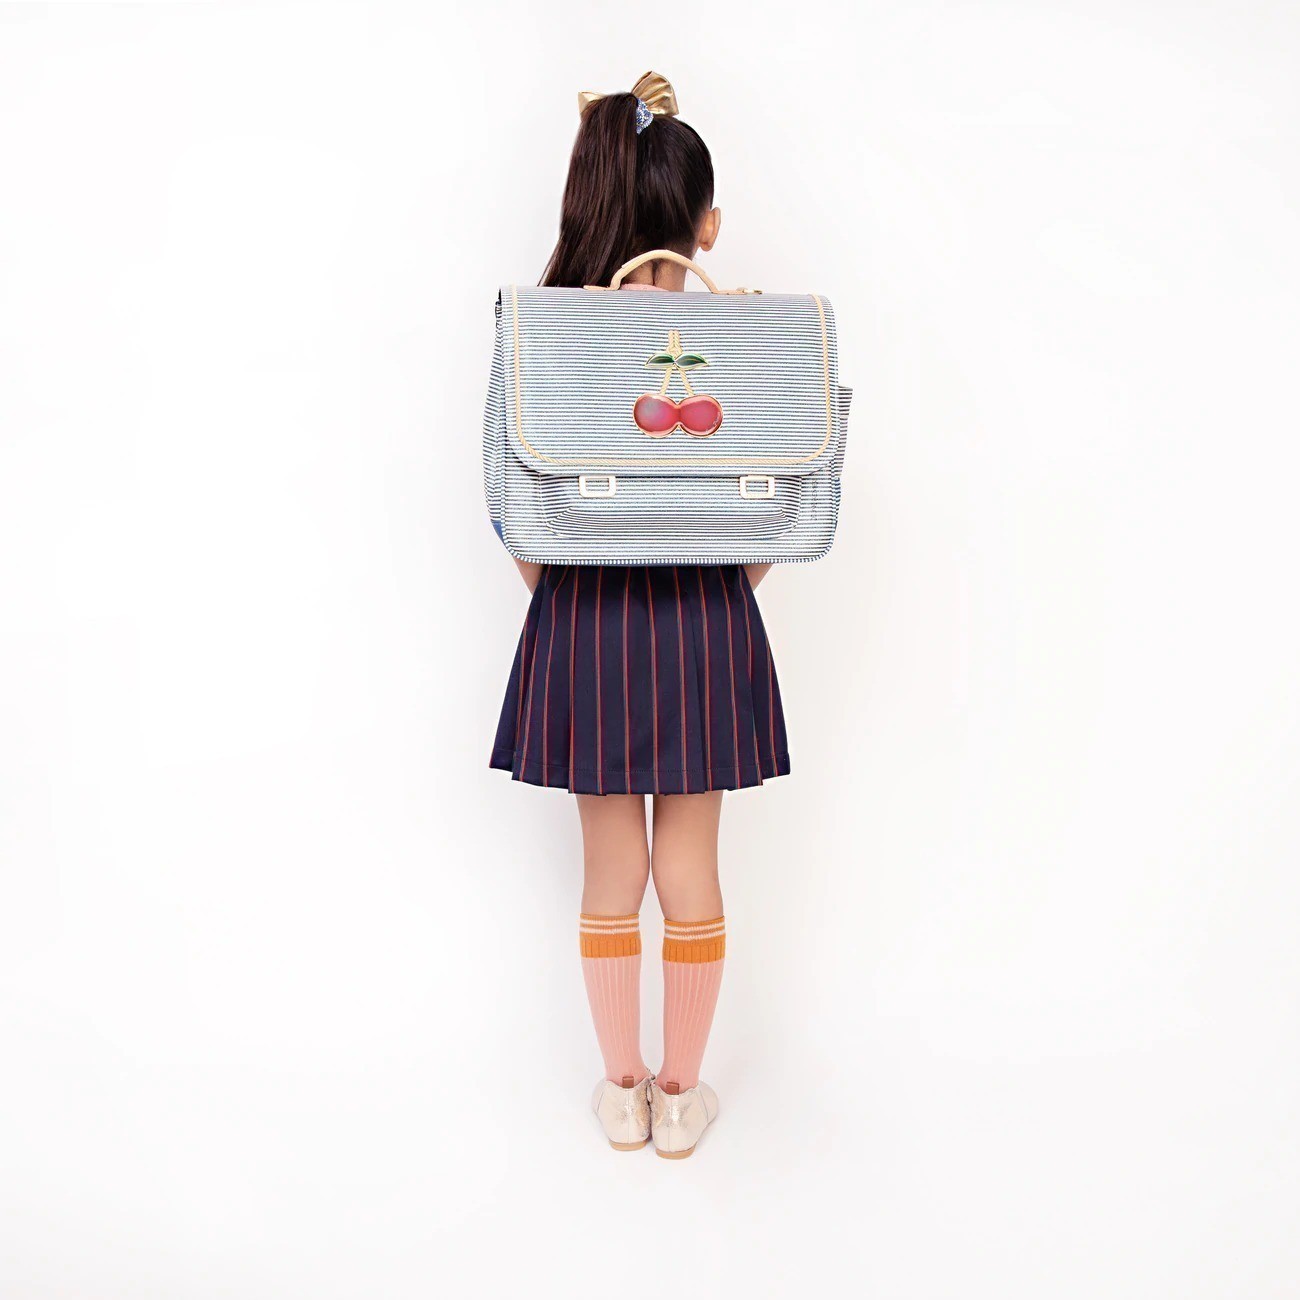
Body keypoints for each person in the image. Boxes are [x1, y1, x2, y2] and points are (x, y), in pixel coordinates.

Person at [488, 72, 790, 1159]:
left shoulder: (547, 334)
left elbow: (517, 511)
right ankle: (681, 1094)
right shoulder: (744, 340)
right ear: (706, 224)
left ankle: (620, 1091)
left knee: (609, 874)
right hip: (705, 614)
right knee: (691, 868)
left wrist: (574, 603)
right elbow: (774, 510)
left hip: (586, 619)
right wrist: (719, 593)